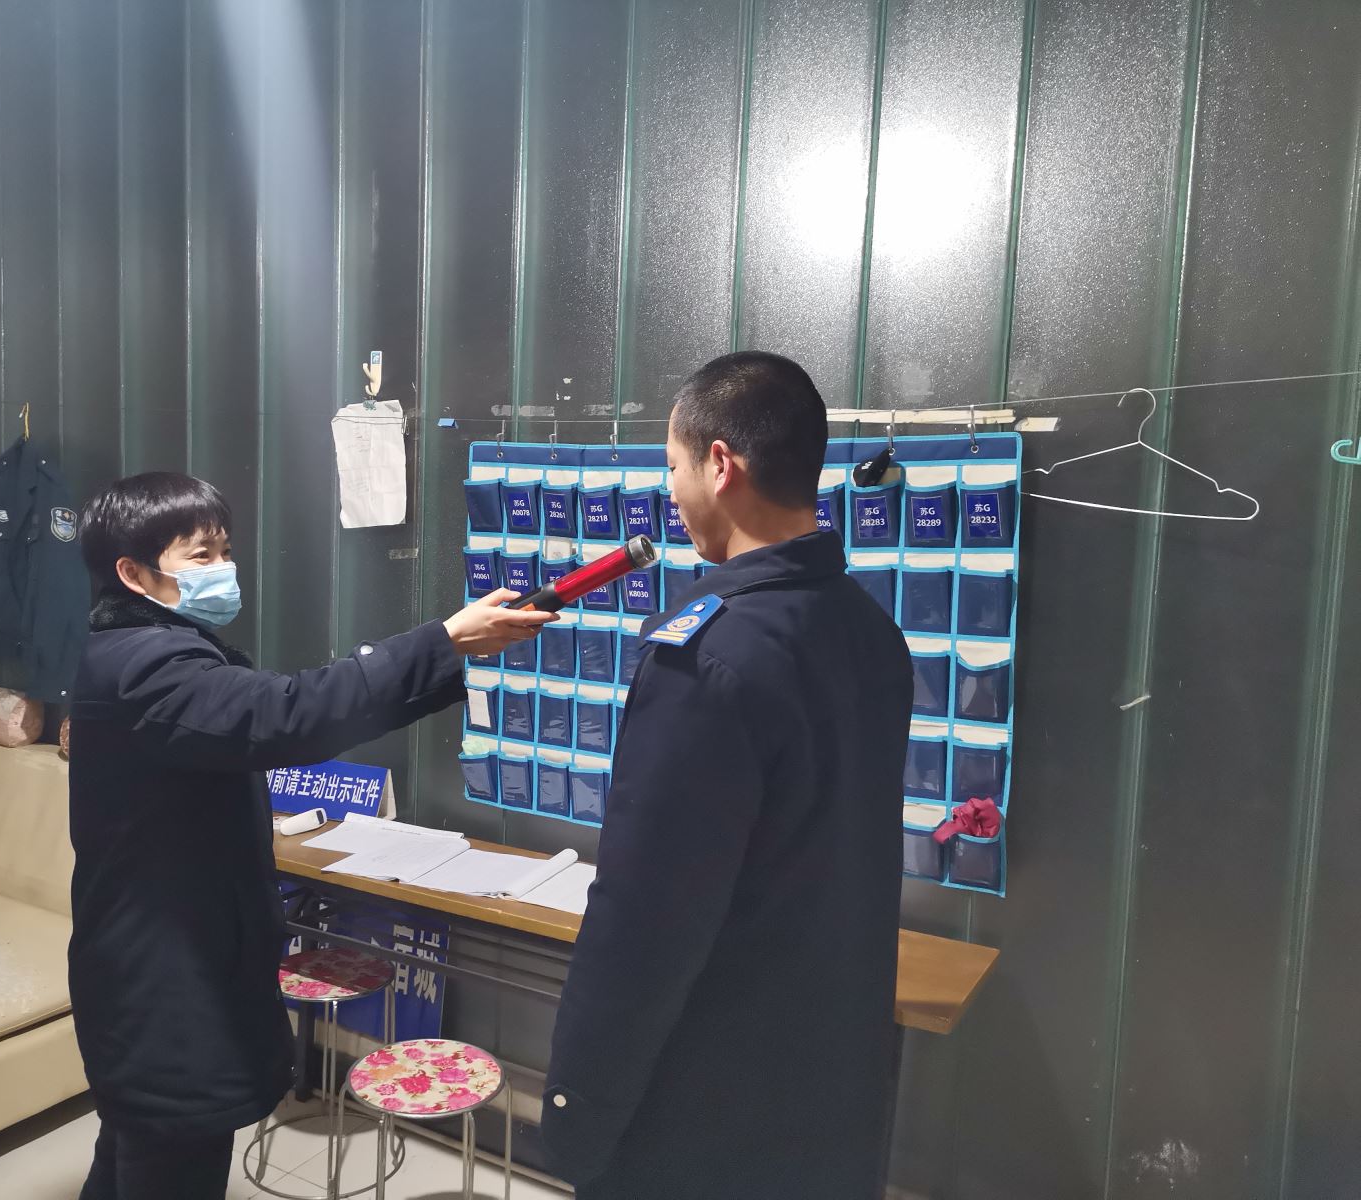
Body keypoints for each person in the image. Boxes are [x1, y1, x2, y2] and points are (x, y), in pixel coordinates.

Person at [67, 472, 553, 1200]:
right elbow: (286, 714)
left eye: (225, 550)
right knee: (167, 1163)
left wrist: (448, 652)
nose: (223, 569)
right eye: (201, 556)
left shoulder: (150, 648)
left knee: (133, 1157)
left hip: (166, 966)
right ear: (133, 574)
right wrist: (444, 640)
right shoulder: (145, 666)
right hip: (161, 983)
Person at [541, 352, 914, 1199]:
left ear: (720, 464)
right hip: (831, 1084)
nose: (670, 492)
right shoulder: (871, 631)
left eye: (673, 465)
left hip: (702, 1106)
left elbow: (645, 919)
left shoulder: (706, 658)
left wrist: (576, 1108)